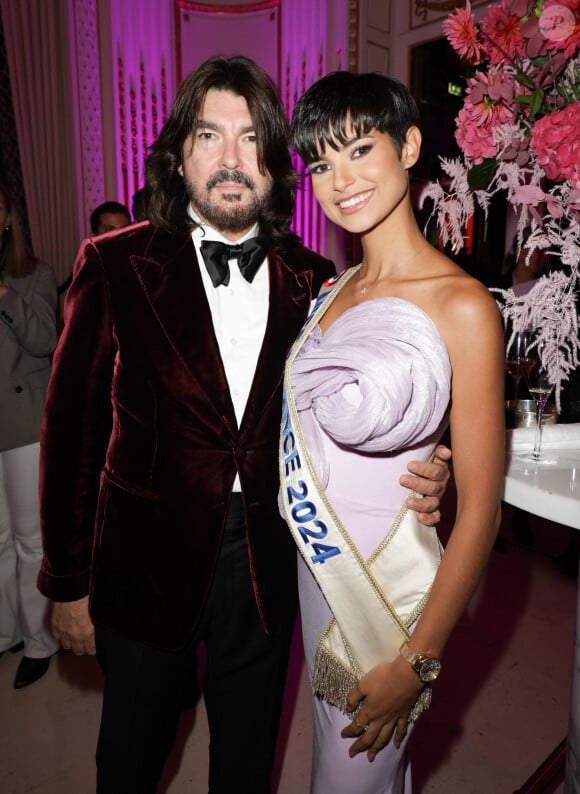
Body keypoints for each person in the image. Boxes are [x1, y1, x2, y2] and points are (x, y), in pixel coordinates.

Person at [38, 56, 451, 793]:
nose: (231, 161)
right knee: (128, 759)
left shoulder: (313, 278)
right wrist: (67, 583)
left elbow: (356, 408)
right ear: (179, 152)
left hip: (266, 560)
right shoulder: (114, 264)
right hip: (143, 563)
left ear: (276, 161)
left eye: (251, 139)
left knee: (246, 762)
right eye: (209, 136)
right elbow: (71, 437)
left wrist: (425, 463)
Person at [281, 71, 504, 793]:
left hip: (385, 596)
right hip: (318, 569)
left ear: (409, 145)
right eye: (320, 163)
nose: (339, 180)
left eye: (358, 150)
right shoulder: (330, 290)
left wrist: (418, 662)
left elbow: (481, 511)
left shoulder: (462, 305)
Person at [0, 182, 60, 688]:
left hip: (23, 422)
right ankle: (8, 633)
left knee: (29, 542)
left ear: (6, 219)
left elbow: (44, 340)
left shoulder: (34, 275)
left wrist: (2, 293)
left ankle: (40, 642)